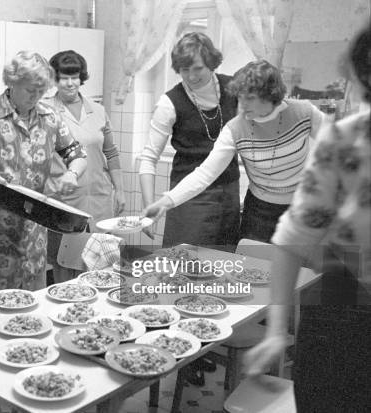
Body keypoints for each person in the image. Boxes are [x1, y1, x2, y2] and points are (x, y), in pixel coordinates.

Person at [244, 26, 371, 412]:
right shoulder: (346, 141)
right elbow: (292, 238)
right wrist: (277, 331)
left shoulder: (308, 118)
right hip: (343, 318)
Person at [0, 51, 87, 301]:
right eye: (30, 89)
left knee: (28, 312)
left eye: (41, 91)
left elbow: (77, 154)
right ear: (11, 82)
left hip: (30, 233)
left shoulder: (50, 118)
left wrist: (72, 173)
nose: (35, 96)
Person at [143, 60, 325, 243]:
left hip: (302, 209)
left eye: (250, 98)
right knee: (255, 267)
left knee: (302, 270)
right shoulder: (235, 129)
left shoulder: (304, 113)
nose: (242, 105)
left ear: (270, 94)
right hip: (258, 214)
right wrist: (165, 203)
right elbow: (204, 174)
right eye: (240, 98)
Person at [138, 32, 240, 250]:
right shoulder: (169, 103)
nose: (192, 77)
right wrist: (150, 207)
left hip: (229, 191)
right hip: (188, 198)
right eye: (185, 70)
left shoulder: (234, 88)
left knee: (225, 263)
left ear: (212, 63)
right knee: (185, 266)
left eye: (198, 68)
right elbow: (148, 159)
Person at [44, 50, 125, 283]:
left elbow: (110, 152)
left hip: (100, 198)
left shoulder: (98, 110)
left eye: (74, 77)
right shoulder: (45, 111)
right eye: (63, 78)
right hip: (64, 200)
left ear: (82, 78)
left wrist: (120, 190)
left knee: (102, 266)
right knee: (65, 266)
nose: (70, 83)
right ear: (54, 80)